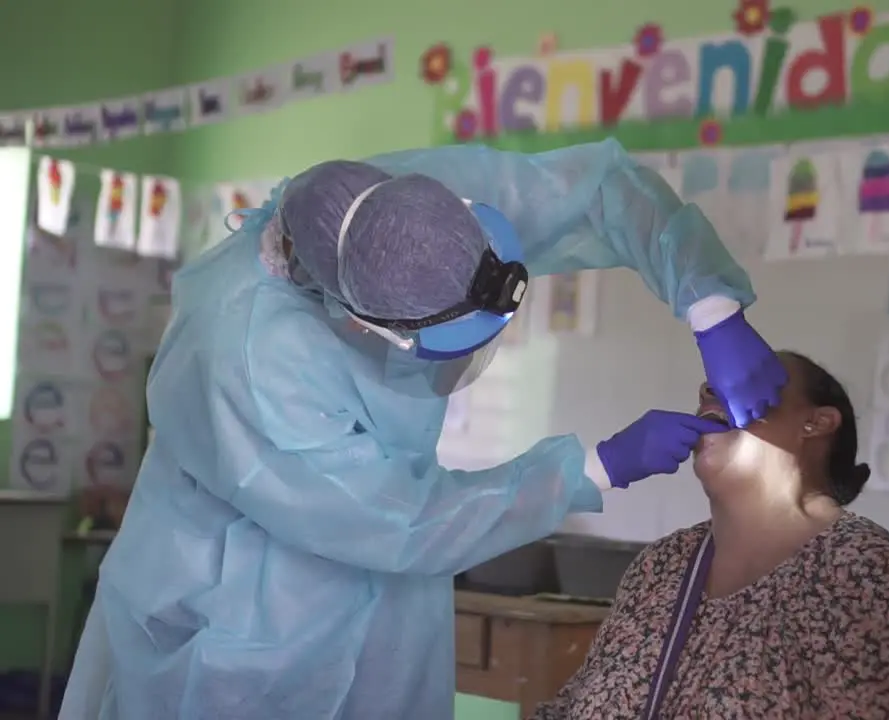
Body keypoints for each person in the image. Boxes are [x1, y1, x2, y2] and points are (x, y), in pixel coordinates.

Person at [58, 138, 787, 720]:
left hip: (392, 595)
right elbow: (397, 520)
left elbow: (599, 190)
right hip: (244, 622)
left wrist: (710, 308)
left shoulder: (415, 211)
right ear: (361, 324)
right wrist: (592, 469)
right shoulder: (245, 357)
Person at [533, 352, 889, 720]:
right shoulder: (663, 565)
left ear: (817, 422)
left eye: (747, 377)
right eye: (708, 387)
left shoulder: (866, 573)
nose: (711, 388)